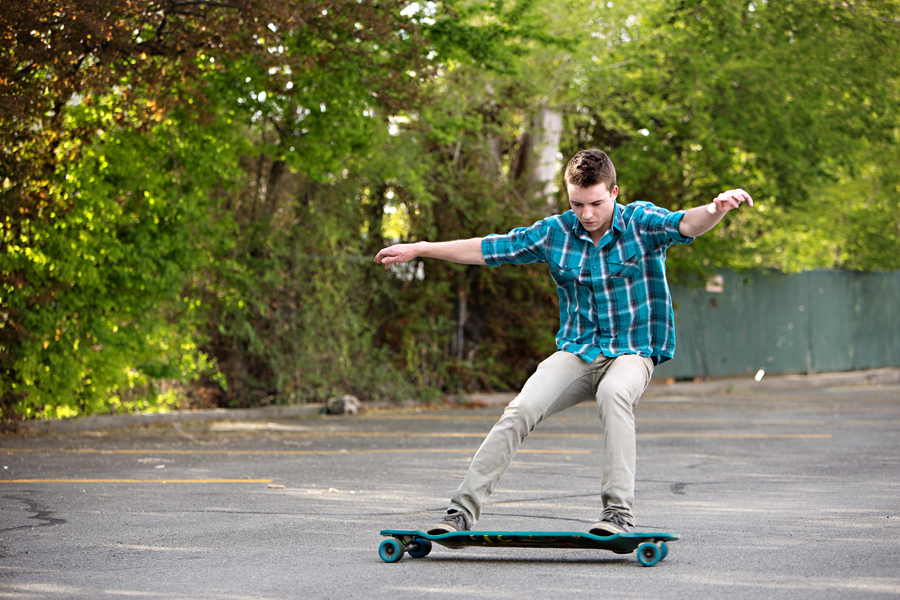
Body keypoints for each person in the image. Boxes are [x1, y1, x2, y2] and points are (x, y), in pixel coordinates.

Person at [374, 149, 753, 536]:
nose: (586, 214)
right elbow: (490, 249)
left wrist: (716, 209)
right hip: (578, 351)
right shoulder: (555, 232)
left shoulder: (641, 222)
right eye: (577, 204)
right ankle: (460, 512)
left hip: (632, 351)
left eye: (596, 204)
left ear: (614, 192)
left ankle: (617, 514)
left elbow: (686, 224)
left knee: (614, 394)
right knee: (520, 409)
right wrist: (421, 248)